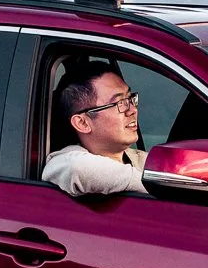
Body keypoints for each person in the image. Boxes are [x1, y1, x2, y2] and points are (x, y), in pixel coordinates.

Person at [42, 61, 147, 195]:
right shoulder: (65, 163)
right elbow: (77, 167)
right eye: (120, 103)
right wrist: (154, 187)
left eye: (130, 98)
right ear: (82, 123)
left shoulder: (142, 160)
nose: (132, 110)